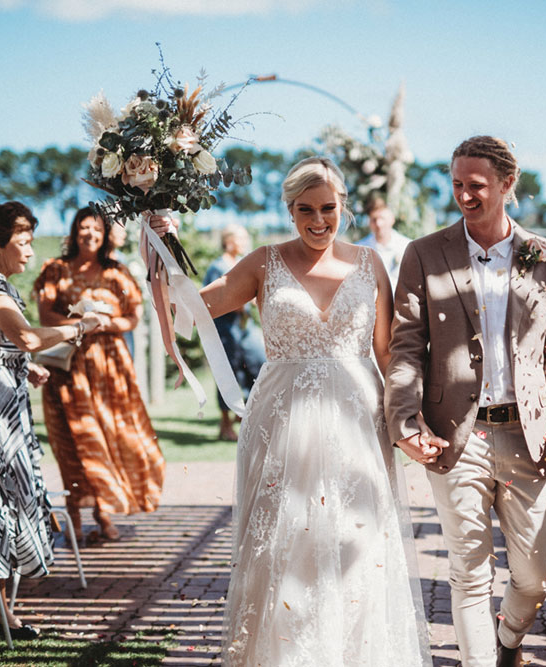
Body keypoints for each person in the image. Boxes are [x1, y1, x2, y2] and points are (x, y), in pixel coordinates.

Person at [154, 156, 430, 665]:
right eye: (306, 209)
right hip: (282, 424)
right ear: (290, 209)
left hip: (357, 423)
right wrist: (162, 247)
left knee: (357, 540)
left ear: (343, 207)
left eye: (328, 208)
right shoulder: (264, 262)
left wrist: (408, 421)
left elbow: (388, 353)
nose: (318, 220)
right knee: (286, 539)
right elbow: (192, 307)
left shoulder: (370, 264)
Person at [383, 136, 546, 667]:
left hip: (528, 436)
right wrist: (404, 420)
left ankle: (508, 642)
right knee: (468, 570)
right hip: (455, 435)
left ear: (507, 183)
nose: (464, 195)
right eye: (457, 184)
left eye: (475, 185)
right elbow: (406, 345)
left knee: (536, 574)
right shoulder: (423, 254)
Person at [0, 201, 104, 637]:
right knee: (8, 505)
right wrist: (78, 327)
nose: (30, 252)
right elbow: (25, 336)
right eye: (23, 243)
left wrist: (23, 368)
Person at [34, 207, 165, 542]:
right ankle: (75, 517)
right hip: (68, 367)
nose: (89, 234)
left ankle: (105, 512)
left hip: (110, 368)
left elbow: (133, 317)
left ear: (105, 234)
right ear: (74, 231)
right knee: (73, 440)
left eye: (96, 228)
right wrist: (80, 325)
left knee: (110, 435)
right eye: (83, 227)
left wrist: (106, 324)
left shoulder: (117, 272)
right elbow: (46, 315)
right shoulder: (56, 270)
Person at [202, 224, 265, 441]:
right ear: (229, 241)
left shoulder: (242, 264)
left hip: (245, 328)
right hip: (225, 330)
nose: (246, 242)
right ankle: (225, 423)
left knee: (260, 362)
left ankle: (247, 416)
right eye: (242, 238)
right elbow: (213, 301)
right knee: (227, 375)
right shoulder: (218, 267)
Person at [356, 193, 410, 290]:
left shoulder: (407, 246)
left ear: (392, 219)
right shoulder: (359, 249)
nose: (378, 224)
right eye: (374, 219)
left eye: (382, 218)